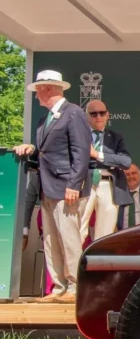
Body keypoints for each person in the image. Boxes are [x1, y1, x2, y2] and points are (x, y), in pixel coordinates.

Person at [12, 70, 92, 304]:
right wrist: (31, 148)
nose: (36, 96)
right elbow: (48, 151)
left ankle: (76, 286)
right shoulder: (43, 120)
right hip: (46, 187)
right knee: (50, 238)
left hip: (66, 187)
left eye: (37, 90)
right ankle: (58, 287)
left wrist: (74, 184)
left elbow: (80, 151)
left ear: (47, 88)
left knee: (68, 236)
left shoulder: (74, 113)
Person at [80, 99, 132, 240]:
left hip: (108, 185)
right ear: (86, 116)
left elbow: (125, 161)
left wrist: (97, 155)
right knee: (78, 230)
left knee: (105, 235)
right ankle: (72, 263)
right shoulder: (79, 136)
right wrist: (111, 160)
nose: (98, 117)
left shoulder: (116, 137)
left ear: (107, 115)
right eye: (94, 114)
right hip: (84, 183)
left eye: (102, 113)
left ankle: (99, 263)